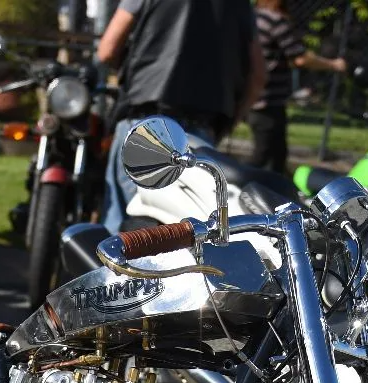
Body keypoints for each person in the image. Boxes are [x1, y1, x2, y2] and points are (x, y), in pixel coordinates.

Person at [96, 0, 265, 231]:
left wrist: (130, 71)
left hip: (144, 121)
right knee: (189, 234)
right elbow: (258, 76)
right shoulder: (241, 5)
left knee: (118, 233)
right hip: (201, 132)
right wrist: (232, 119)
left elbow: (107, 50)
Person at [249, 0, 345, 176]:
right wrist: (333, 64)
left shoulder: (254, 16)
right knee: (264, 153)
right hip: (267, 99)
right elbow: (300, 58)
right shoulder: (275, 21)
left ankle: (276, 185)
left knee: (277, 153)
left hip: (253, 95)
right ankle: (237, 184)